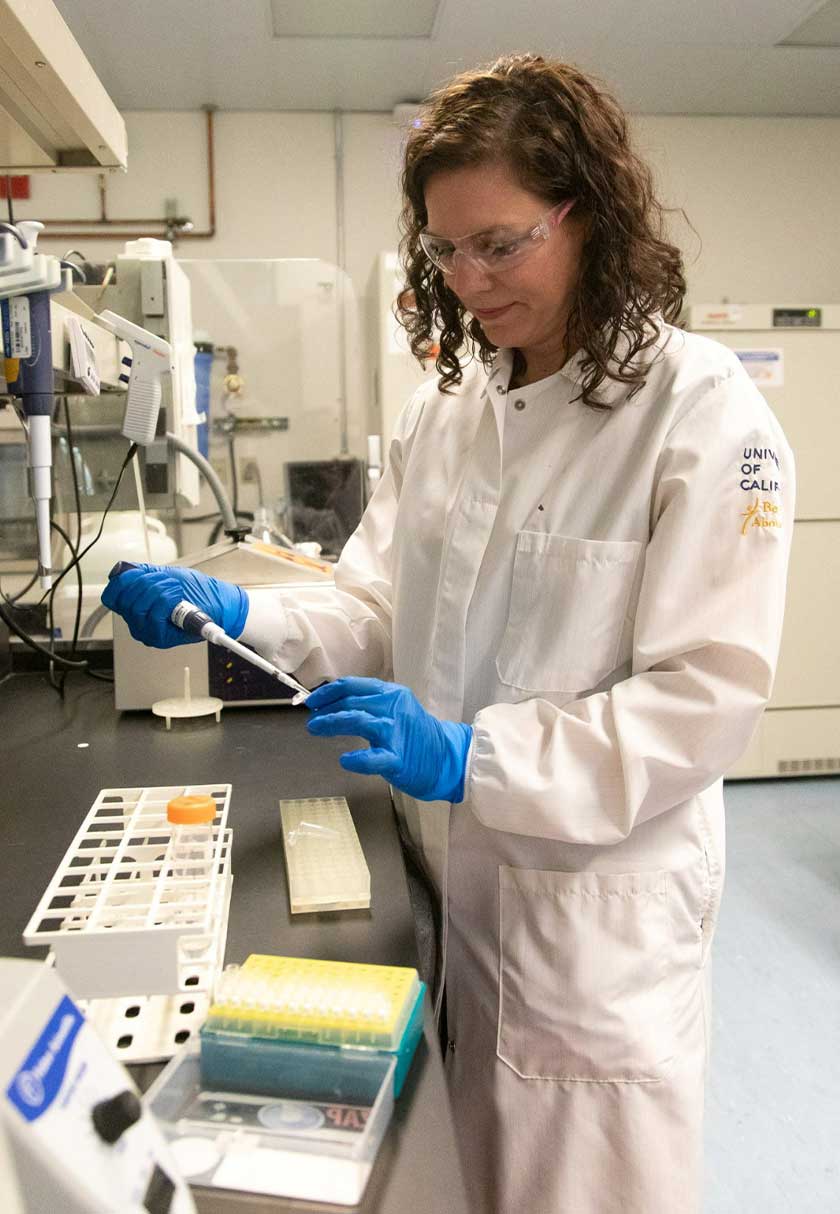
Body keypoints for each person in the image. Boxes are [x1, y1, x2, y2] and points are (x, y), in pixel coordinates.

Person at [102, 54, 794, 1214]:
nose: (468, 278)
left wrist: (479, 755)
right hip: (448, 877)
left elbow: (702, 702)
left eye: (502, 242)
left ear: (592, 214)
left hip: (587, 914)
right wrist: (237, 613)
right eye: (445, 249)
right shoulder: (452, 410)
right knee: (450, 1178)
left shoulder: (701, 413)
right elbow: (374, 603)